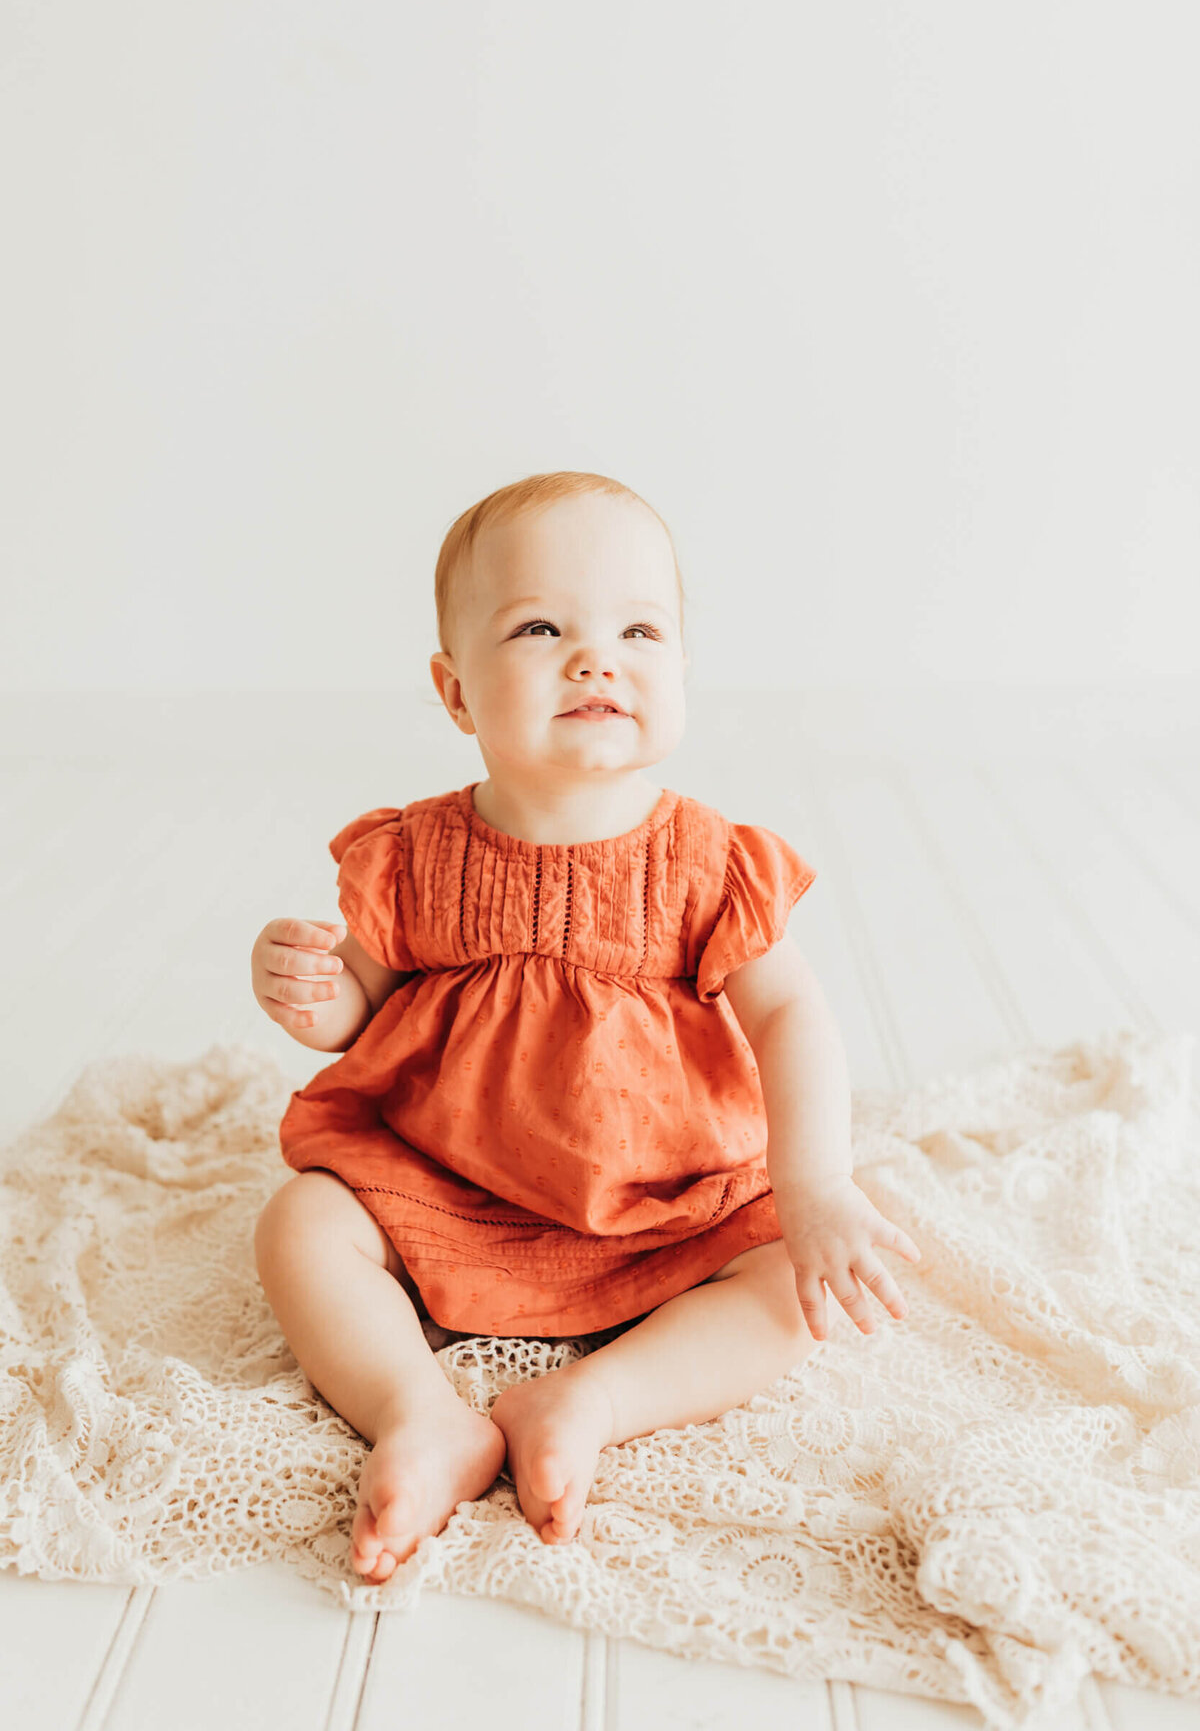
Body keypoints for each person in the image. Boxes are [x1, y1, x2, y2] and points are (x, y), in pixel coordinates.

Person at [250, 470, 922, 1586]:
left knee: (786, 1296)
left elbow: (792, 1013)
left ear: (681, 671)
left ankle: (591, 1399)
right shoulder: (415, 852)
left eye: (639, 629)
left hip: (665, 1202)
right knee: (300, 1226)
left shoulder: (708, 860)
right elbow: (357, 1001)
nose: (595, 657)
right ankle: (422, 1416)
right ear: (455, 689)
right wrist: (313, 996)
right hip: (448, 1181)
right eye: (540, 627)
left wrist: (813, 1188)